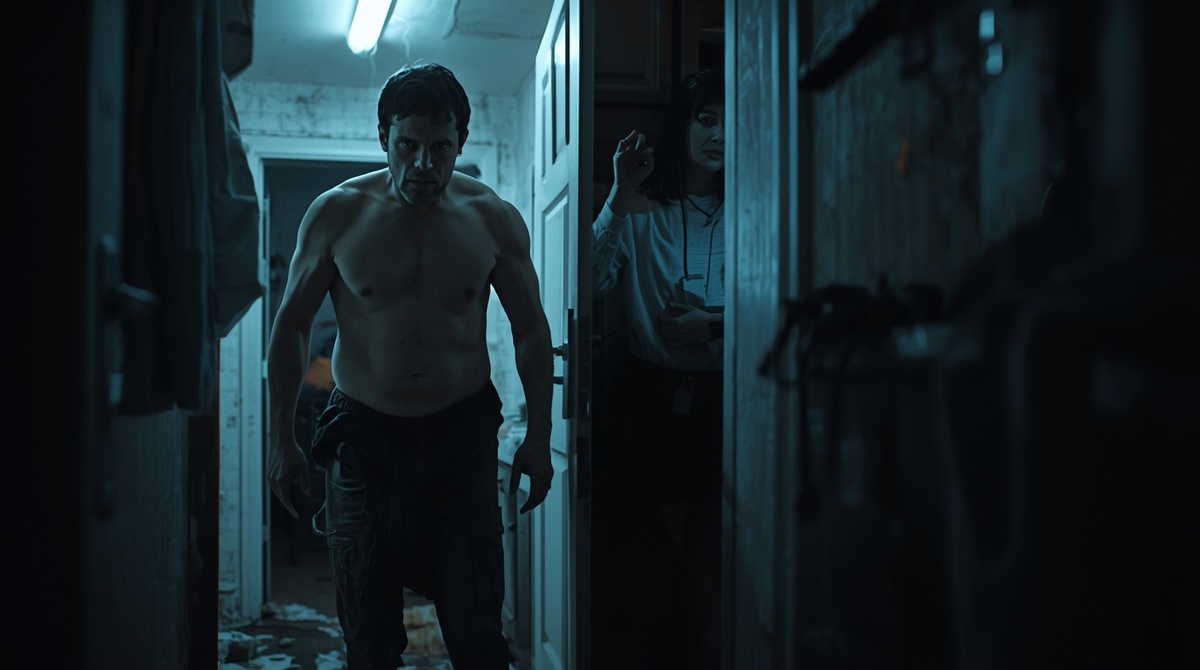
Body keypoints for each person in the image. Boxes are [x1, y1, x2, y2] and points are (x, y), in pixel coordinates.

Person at [265, 62, 554, 670]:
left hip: (461, 440)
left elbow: (531, 327)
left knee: (478, 635)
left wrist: (541, 435)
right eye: (408, 145)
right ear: (384, 137)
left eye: (440, 147)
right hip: (365, 439)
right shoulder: (337, 214)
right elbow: (291, 324)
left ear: (461, 142)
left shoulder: (493, 219)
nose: (423, 164)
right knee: (368, 639)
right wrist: (281, 437)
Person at [590, 68, 725, 669]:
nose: (719, 135)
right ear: (682, 125)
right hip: (646, 401)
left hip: (725, 400)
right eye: (706, 119)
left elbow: (776, 302)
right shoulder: (643, 208)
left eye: (731, 123)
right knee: (647, 573)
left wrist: (713, 325)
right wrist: (620, 192)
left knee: (713, 568)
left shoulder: (755, 207)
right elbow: (590, 281)